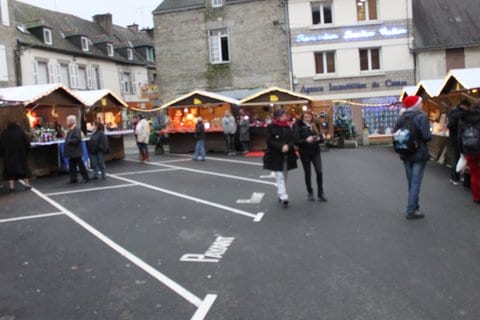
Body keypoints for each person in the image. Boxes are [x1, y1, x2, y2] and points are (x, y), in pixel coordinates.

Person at [394, 96, 432, 219]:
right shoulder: (421, 117)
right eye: (420, 103)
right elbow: (426, 136)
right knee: (416, 182)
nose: (422, 105)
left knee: (411, 182)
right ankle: (411, 210)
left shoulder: (401, 117)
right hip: (419, 153)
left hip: (405, 152)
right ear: (416, 104)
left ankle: (415, 207)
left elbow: (395, 133)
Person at [263, 109, 298, 207]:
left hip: (287, 154)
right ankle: (283, 196)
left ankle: (281, 192)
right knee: (279, 175)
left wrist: (288, 146)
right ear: (277, 117)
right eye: (283, 115)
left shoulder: (288, 127)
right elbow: (269, 140)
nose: (285, 117)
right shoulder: (271, 127)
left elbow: (292, 139)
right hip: (275, 154)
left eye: (285, 115)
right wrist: (280, 146)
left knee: (285, 174)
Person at [294, 111, 327, 202]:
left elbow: (320, 137)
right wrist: (306, 140)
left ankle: (321, 193)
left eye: (309, 116)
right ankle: (310, 192)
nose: (308, 118)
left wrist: (320, 138)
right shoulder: (299, 126)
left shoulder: (314, 124)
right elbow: (296, 140)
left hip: (315, 151)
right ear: (302, 117)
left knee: (319, 172)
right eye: (306, 117)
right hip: (305, 152)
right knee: (308, 173)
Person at [0, 122, 32, 193]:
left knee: (10, 172)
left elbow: (1, 145)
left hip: (9, 156)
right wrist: (26, 152)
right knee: (24, 169)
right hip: (21, 154)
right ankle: (27, 184)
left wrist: (3, 154)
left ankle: (12, 188)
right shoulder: (21, 132)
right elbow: (27, 143)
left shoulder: (5, 133)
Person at [458, 105, 480, 204]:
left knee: (474, 173)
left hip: (469, 150)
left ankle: (476, 196)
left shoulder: (464, 119)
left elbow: (460, 137)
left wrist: (462, 151)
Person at [447, 99, 472, 185]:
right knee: (458, 157)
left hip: (454, 138)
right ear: (464, 106)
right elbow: (451, 125)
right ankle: (454, 177)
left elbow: (449, 125)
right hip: (458, 138)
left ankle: (455, 177)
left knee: (458, 157)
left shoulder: (453, 111)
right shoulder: (459, 114)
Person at [64, 115, 89, 184]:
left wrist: (68, 140)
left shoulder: (76, 129)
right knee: (72, 166)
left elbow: (77, 139)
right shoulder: (71, 128)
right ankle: (73, 178)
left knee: (80, 165)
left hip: (76, 151)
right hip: (72, 151)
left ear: (71, 122)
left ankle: (85, 177)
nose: (66, 122)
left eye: (67, 121)